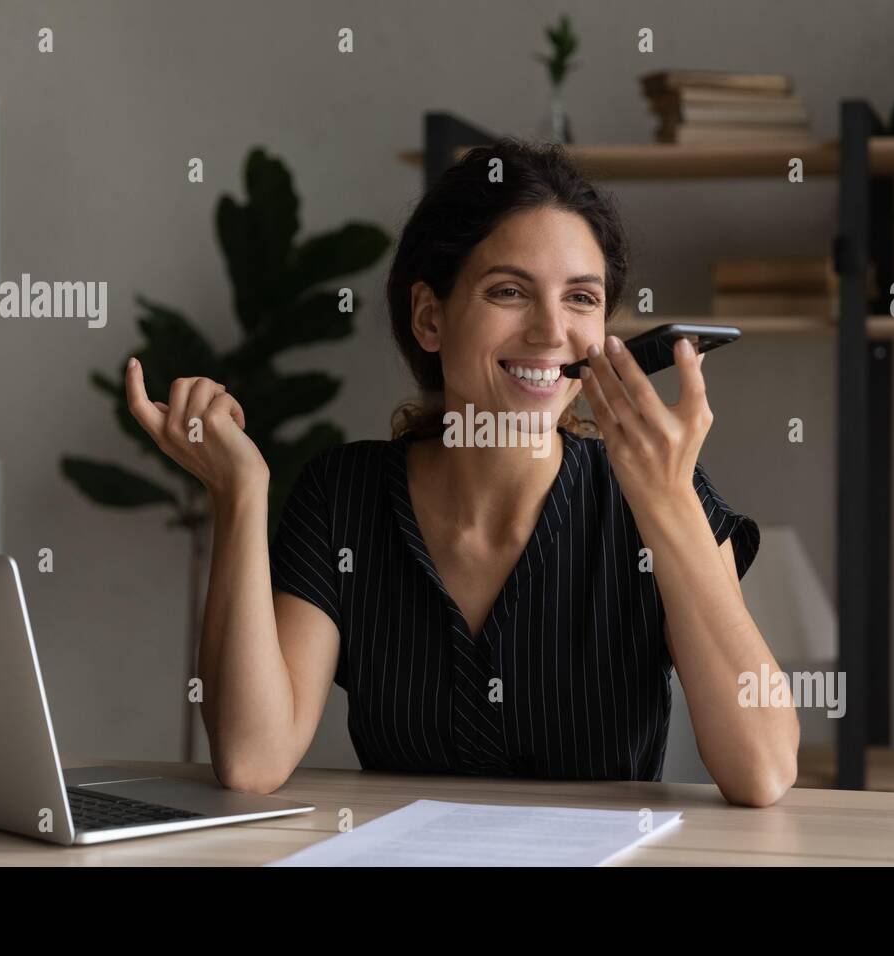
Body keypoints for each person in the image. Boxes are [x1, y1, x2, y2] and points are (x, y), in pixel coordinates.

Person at [125, 138, 797, 806]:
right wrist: (238, 494)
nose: (549, 331)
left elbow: (763, 769)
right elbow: (251, 758)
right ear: (429, 317)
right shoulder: (343, 497)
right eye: (510, 291)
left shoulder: (656, 499)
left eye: (581, 299)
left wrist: (670, 506)